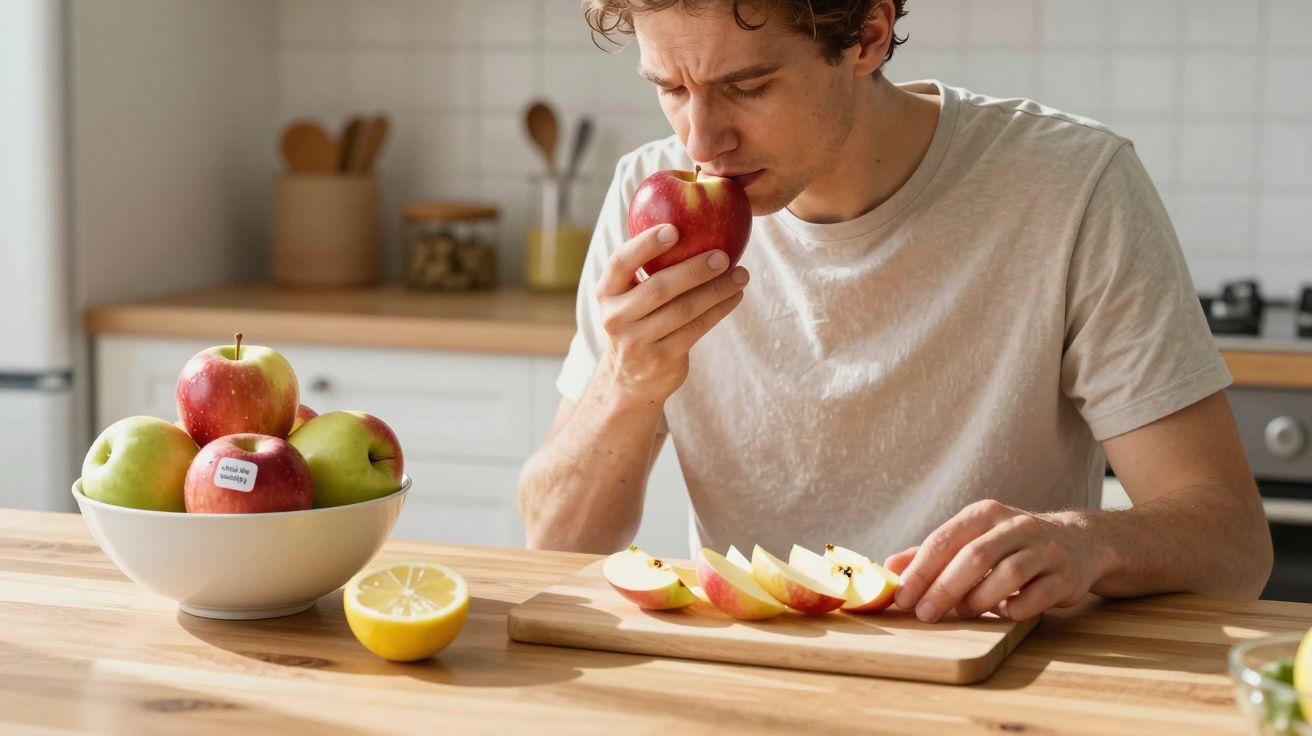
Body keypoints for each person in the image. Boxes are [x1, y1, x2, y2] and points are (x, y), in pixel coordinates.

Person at [517, 0, 1273, 623]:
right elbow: (556, 540)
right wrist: (626, 381)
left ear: (869, 37)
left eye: (747, 87)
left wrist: (1083, 542)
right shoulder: (646, 196)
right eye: (673, 89)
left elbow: (1235, 546)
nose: (701, 140)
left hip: (991, 683)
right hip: (753, 679)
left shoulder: (1073, 187)